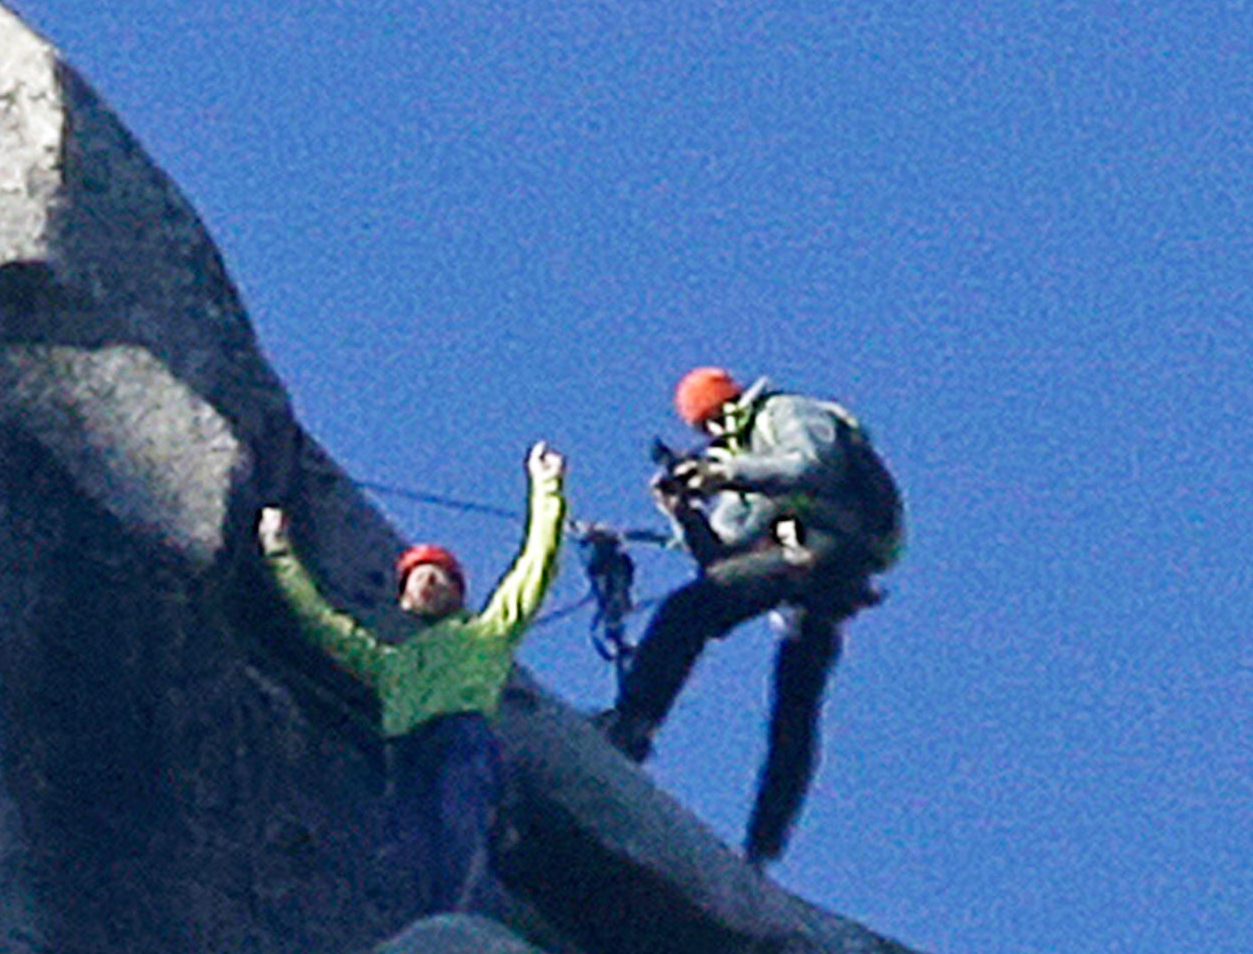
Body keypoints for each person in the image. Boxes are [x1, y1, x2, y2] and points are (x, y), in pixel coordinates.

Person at [600, 366, 903, 865]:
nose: (713, 432)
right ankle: (763, 850)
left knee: (687, 611)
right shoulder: (741, 455)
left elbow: (812, 464)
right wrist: (685, 512)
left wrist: (725, 474)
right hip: (824, 567)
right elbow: (723, 564)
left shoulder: (782, 412)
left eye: (715, 417)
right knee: (794, 701)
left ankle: (633, 723)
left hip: (833, 545)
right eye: (706, 427)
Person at [257, 442, 567, 915]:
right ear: (403, 600)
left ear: (458, 593)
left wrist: (547, 488)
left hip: (461, 738)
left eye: (439, 576)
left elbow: (534, 565)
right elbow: (321, 622)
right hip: (404, 753)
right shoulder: (391, 665)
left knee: (457, 828)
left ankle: (455, 920)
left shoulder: (486, 634)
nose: (427, 582)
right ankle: (419, 927)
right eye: (417, 578)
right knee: (401, 847)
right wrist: (279, 554)